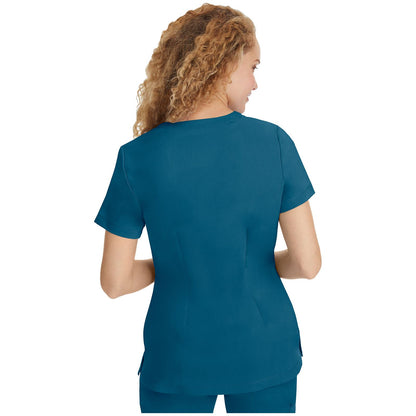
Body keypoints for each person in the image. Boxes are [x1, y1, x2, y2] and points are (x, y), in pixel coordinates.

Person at [94, 3, 321, 413]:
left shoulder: (136, 157)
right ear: (225, 64)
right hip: (264, 350)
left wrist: (179, 265)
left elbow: (115, 282)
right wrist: (246, 261)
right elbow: (307, 264)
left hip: (176, 356)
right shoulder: (274, 143)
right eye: (253, 67)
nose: (255, 83)